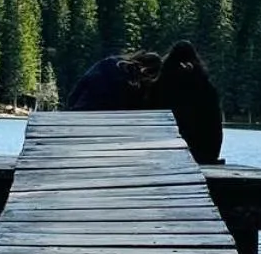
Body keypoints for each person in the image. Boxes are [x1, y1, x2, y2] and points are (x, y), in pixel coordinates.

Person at [66, 40, 223, 164]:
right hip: (100, 138)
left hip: (75, 129)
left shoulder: (109, 64)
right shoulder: (202, 88)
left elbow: (73, 97)